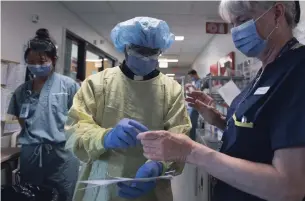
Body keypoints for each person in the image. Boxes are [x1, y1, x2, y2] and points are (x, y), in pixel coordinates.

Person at [137, 1, 305, 201]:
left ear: (277, 13)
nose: (235, 32)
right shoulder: (267, 69)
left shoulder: (298, 69)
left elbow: (289, 188)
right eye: (232, 24)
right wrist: (217, 119)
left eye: (242, 20)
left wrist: (191, 151)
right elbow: (261, 135)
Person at [65, 17, 191, 201]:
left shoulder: (171, 90)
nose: (146, 57)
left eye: (153, 52)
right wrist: (105, 137)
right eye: (140, 51)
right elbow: (76, 130)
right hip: (103, 184)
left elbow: (180, 136)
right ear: (125, 47)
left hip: (151, 187)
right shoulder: (97, 84)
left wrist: (158, 165)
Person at [7, 28, 80, 201]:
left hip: (61, 157)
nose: (37, 65)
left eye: (42, 60)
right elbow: (21, 120)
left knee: (63, 194)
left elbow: (80, 119)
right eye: (31, 62)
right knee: (32, 195)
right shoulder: (22, 91)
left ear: (53, 60)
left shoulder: (68, 86)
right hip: (31, 156)